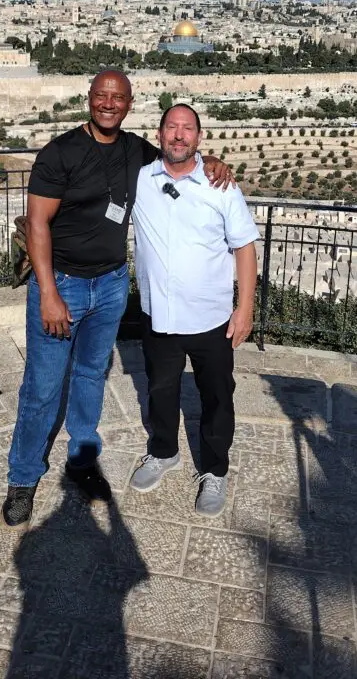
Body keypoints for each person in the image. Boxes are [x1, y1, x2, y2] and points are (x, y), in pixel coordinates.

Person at [1, 71, 234, 530]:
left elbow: (178, 155)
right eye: (101, 96)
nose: (108, 104)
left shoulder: (136, 151)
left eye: (118, 97)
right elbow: (38, 224)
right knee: (42, 388)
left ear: (129, 104)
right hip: (62, 284)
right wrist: (48, 293)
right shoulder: (59, 153)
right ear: (89, 99)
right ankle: (23, 478)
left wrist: (212, 162)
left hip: (109, 284)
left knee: (91, 376)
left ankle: (82, 460)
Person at [130, 102, 259, 517]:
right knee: (159, 390)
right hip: (159, 315)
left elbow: (245, 247)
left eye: (187, 128)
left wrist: (245, 309)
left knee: (217, 397)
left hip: (211, 318)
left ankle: (215, 471)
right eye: (172, 127)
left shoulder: (220, 185)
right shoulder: (140, 179)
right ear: (159, 134)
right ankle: (164, 452)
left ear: (199, 138)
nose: (179, 135)